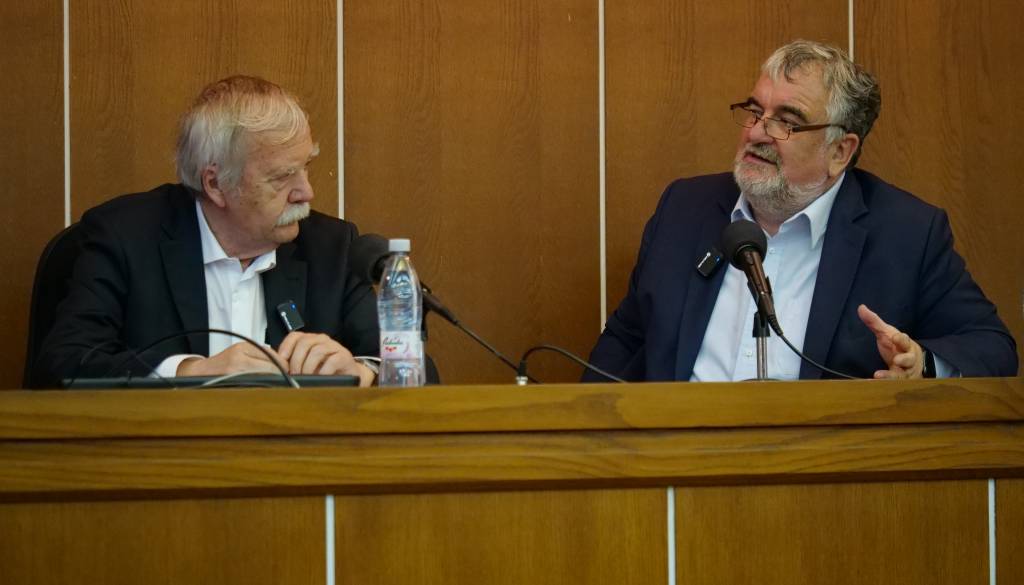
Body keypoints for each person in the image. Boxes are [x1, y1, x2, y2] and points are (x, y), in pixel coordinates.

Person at [586, 40, 1017, 382]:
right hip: (679, 452)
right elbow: (627, 341)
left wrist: (921, 363)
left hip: (821, 460)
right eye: (755, 111)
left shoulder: (906, 233)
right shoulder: (684, 209)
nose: (757, 133)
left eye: (787, 121)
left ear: (840, 151)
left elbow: (992, 347)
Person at [35, 76, 379, 388]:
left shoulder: (332, 248)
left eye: (305, 168)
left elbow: (401, 363)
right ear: (215, 184)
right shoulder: (125, 237)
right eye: (282, 177)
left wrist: (361, 371)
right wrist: (192, 371)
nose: (306, 192)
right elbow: (64, 363)